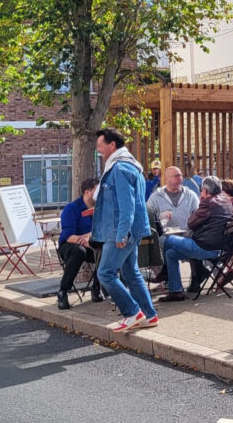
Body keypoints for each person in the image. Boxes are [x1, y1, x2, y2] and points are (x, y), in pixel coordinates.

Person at [91, 128, 158, 332]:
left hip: (119, 230)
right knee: (131, 273)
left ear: (112, 145)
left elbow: (126, 204)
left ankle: (132, 312)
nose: (99, 151)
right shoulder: (130, 166)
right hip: (129, 228)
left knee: (105, 274)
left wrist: (122, 233)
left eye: (101, 147)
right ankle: (149, 315)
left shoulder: (119, 168)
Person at [158, 176, 233, 302]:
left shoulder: (208, 203)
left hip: (204, 248)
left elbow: (190, 223)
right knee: (170, 254)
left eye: (202, 190)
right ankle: (176, 291)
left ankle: (165, 273)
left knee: (169, 240)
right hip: (221, 249)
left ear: (206, 191)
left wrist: (201, 201)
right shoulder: (225, 201)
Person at [56, 178, 102, 310]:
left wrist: (89, 238)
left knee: (106, 251)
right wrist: (86, 238)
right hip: (69, 246)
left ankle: (97, 288)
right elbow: (69, 236)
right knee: (79, 251)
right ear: (87, 193)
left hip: (93, 244)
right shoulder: (72, 208)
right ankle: (63, 292)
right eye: (96, 191)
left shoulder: (100, 208)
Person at [146, 165, 200, 234]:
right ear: (166, 179)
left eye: (181, 175)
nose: (180, 178)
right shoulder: (155, 197)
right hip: (163, 241)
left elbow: (198, 217)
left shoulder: (191, 196)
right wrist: (160, 219)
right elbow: (148, 219)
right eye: (176, 176)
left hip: (187, 239)